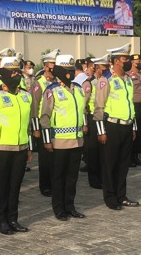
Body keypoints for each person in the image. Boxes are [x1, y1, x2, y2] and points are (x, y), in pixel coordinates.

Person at [0, 56, 33, 234]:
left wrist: (29, 148)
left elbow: (28, 124)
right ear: (3, 74)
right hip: (0, 149)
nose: (16, 75)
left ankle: (13, 218)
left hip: (20, 148)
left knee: (15, 186)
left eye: (18, 72)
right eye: (12, 72)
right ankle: (1, 220)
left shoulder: (26, 95)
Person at [93, 43, 140, 210]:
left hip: (127, 126)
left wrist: (133, 126)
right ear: (116, 61)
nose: (128, 61)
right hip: (112, 126)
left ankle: (122, 195)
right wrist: (101, 131)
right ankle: (110, 197)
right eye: (124, 58)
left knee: (123, 163)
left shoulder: (128, 80)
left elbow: (130, 105)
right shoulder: (106, 80)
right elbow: (99, 107)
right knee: (110, 164)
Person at [40, 54, 87, 220]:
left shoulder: (78, 89)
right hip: (59, 142)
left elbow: (82, 111)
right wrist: (47, 140)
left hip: (76, 140)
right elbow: (44, 117)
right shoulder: (52, 90)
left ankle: (70, 206)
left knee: (72, 177)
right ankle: (59, 208)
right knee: (59, 177)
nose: (70, 73)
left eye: (72, 70)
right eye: (67, 70)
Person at [31, 49, 59, 197]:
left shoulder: (57, 82)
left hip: (57, 125)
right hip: (44, 125)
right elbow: (34, 108)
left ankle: (54, 183)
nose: (55, 67)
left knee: (55, 157)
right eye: (53, 64)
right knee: (45, 158)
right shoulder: (38, 83)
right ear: (46, 66)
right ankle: (45, 185)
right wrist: (36, 128)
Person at [83, 54, 109, 189]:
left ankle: (102, 177)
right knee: (93, 151)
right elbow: (83, 105)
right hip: (92, 119)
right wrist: (84, 123)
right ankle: (94, 179)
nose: (105, 69)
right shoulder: (89, 83)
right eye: (103, 67)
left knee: (102, 151)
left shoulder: (106, 81)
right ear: (96, 68)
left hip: (104, 118)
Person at [128, 54, 141, 167]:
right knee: (134, 133)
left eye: (140, 61)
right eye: (137, 61)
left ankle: (136, 155)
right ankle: (130, 157)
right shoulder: (128, 75)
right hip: (134, 106)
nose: (139, 63)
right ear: (132, 62)